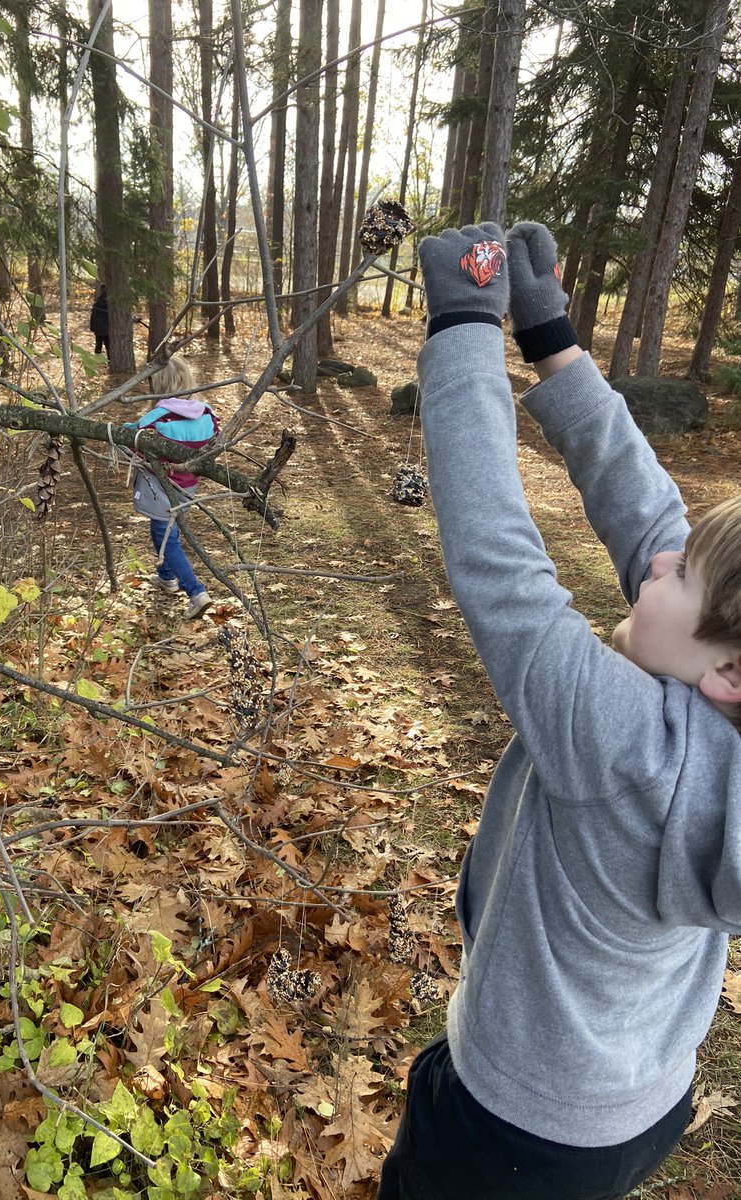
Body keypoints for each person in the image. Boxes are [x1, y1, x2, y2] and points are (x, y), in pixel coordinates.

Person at [378, 221, 741, 1200]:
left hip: (510, 1127)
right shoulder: (720, 739)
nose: (657, 558)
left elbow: (500, 564)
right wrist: (551, 343)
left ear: (730, 672)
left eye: (682, 573)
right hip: (640, 1103)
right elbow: (650, 510)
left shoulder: (620, 739)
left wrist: (461, 326)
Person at [125, 356, 216, 620]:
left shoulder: (156, 417)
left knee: (168, 538)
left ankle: (196, 591)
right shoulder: (206, 414)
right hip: (189, 486)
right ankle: (167, 577)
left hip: (160, 486)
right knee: (164, 529)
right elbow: (213, 440)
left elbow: (135, 440)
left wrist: (122, 433)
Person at [90, 283, 109, 359]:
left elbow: (93, 316)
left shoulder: (98, 301)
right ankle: (110, 360)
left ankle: (97, 360)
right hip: (105, 328)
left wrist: (92, 327)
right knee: (108, 346)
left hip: (98, 328)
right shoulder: (107, 302)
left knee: (98, 344)